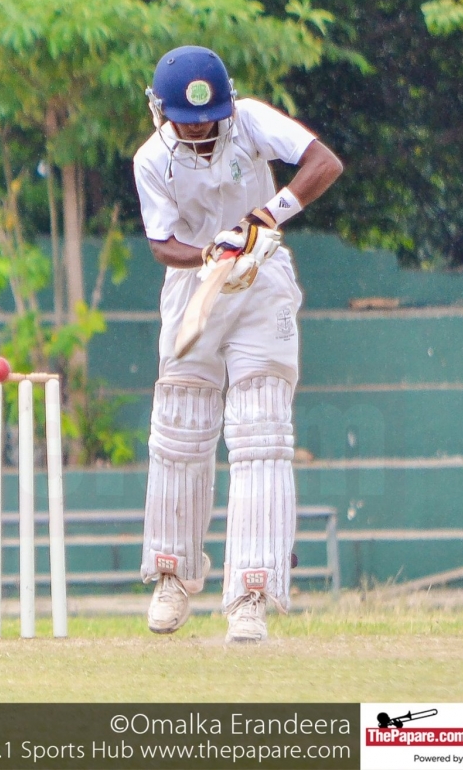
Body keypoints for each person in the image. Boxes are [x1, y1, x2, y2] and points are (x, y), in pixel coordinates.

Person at [132, 46, 343, 643]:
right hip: (194, 286)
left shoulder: (248, 119)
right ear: (160, 112)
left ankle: (252, 592)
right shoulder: (151, 159)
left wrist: (264, 219)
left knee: (261, 433)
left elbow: (323, 162)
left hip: (261, 277)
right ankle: (172, 575)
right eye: (186, 120)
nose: (199, 129)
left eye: (208, 118)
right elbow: (161, 244)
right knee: (180, 427)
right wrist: (209, 253)